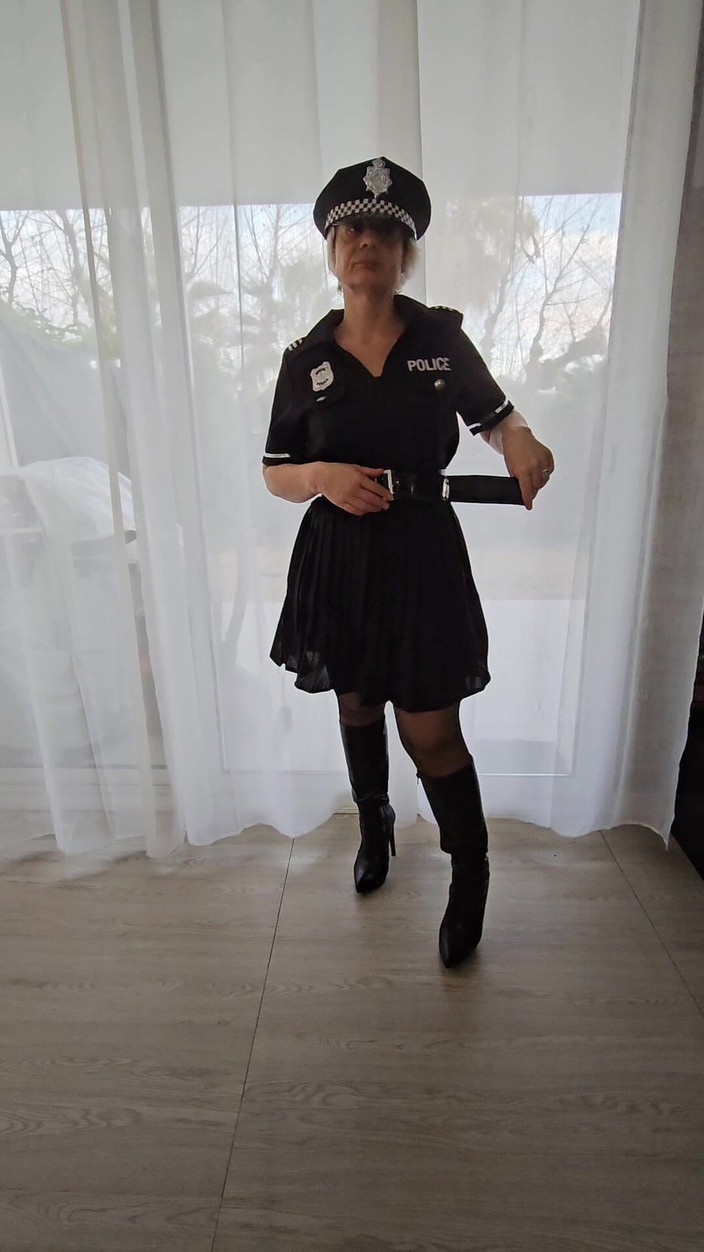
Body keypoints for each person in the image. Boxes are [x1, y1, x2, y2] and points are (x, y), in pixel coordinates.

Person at [262, 157, 554, 968]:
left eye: (385, 234)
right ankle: (375, 822)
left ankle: (470, 870)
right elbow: (276, 471)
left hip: (423, 553)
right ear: (333, 252)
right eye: (351, 230)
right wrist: (321, 477)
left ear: (405, 254)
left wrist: (521, 438)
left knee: (430, 728)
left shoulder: (440, 340)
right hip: (340, 554)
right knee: (355, 701)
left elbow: (497, 416)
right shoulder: (305, 359)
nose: (367, 243)